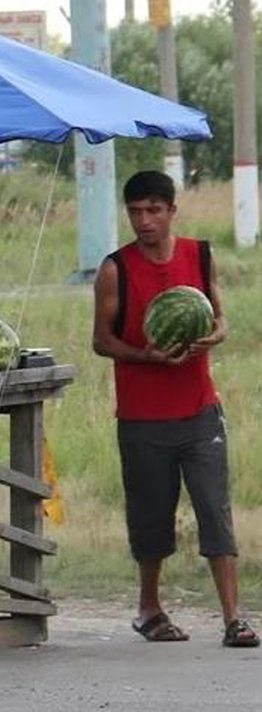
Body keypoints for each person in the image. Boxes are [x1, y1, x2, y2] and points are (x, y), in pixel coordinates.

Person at [92, 170, 258, 648]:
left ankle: (234, 618)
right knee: (151, 518)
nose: (144, 221)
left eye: (153, 210)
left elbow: (220, 315)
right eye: (136, 212)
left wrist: (217, 333)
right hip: (143, 416)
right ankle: (149, 609)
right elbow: (101, 341)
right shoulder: (114, 269)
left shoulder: (199, 256)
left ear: (171, 210)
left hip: (200, 411)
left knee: (215, 511)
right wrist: (146, 355)